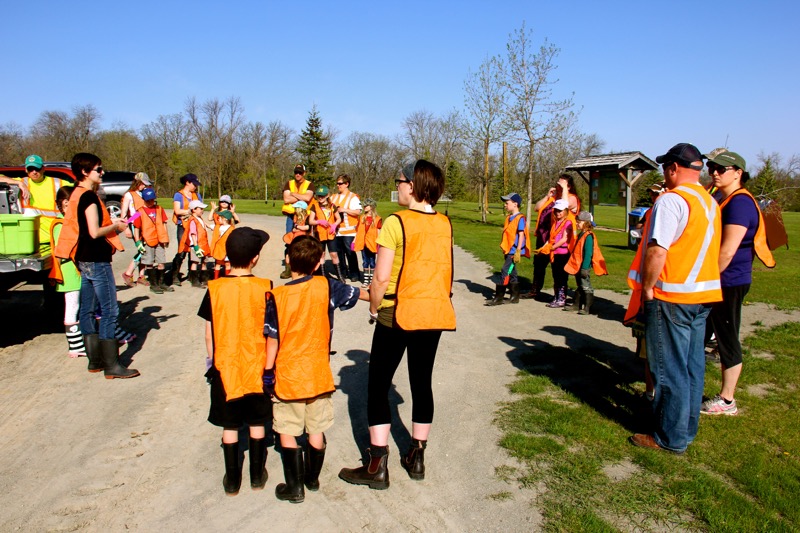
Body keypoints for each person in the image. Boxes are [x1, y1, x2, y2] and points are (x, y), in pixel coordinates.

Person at [339, 159, 456, 490]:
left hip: (397, 311)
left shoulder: (395, 222)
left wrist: (374, 307)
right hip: (433, 311)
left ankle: (377, 464)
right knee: (422, 382)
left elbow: (380, 277)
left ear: (413, 186)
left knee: (378, 385)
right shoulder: (445, 223)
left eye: (400, 182)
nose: (398, 187)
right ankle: (417, 456)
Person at [627, 143, 721, 454]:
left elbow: (657, 249)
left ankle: (669, 437)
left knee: (669, 368)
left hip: (672, 295)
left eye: (665, 168)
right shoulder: (709, 202)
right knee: (692, 366)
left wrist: (648, 288)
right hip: (702, 296)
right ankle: (686, 429)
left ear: (673, 168)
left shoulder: (671, 200)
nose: (664, 174)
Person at [264, 235, 368, 503]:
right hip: (319, 372)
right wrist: (383, 297)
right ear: (319, 262)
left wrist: (267, 371)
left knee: (287, 429)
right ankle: (312, 478)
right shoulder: (327, 286)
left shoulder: (277, 296)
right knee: (316, 428)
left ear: (288, 259)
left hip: (288, 373)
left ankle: (294, 487)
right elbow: (359, 294)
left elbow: (272, 338)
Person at [197, 226, 273, 496]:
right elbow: (271, 330)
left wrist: (212, 361)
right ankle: (256, 475)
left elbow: (209, 332)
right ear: (255, 258)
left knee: (229, 425)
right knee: (257, 422)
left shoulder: (215, 288)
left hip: (225, 365)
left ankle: (232, 479)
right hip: (257, 365)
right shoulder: (266, 287)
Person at [701, 150, 775, 416]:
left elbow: (728, 251)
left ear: (738, 173)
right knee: (711, 333)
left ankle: (727, 399)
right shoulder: (724, 198)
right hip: (722, 279)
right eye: (712, 168)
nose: (714, 173)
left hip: (729, 281)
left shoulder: (740, 203)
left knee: (727, 337)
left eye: (721, 169)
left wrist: (706, 281)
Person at [55, 153, 139, 379]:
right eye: (98, 170)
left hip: (83, 258)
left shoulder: (75, 194)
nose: (102, 173)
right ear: (85, 172)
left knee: (87, 309)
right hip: (97, 259)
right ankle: (112, 365)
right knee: (110, 310)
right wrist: (116, 227)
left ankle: (95, 360)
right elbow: (94, 232)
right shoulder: (89, 197)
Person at [49, 186, 86, 357]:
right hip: (69, 271)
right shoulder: (60, 225)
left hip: (74, 270)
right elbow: (61, 251)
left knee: (78, 304)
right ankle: (75, 345)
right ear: (63, 204)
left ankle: (78, 342)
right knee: (72, 305)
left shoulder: (70, 223)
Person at [0, 155, 65, 246]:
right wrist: (17, 183)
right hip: (29, 240)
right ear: (26, 170)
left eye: (37, 168)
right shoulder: (23, 182)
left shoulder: (58, 183)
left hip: (54, 239)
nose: (34, 172)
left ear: (43, 169)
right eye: (30, 169)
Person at [486, 192, 529, 306]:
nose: (505, 205)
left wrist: (518, 251)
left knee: (505, 271)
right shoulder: (509, 218)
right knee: (512, 272)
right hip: (508, 249)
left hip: (513, 251)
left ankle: (499, 297)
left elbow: (521, 235)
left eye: (507, 203)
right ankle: (515, 296)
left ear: (515, 204)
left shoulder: (520, 218)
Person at [564, 211, 607, 314]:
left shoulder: (588, 236)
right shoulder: (581, 234)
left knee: (586, 285)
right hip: (578, 265)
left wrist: (585, 268)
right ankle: (576, 305)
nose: (577, 223)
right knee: (580, 285)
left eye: (579, 222)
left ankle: (588, 307)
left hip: (584, 266)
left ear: (586, 223)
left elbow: (588, 254)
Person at [132, 187, 172, 294]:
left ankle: (161, 283)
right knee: (149, 262)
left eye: (152, 200)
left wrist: (166, 237)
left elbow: (164, 223)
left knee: (161, 262)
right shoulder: (139, 211)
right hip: (148, 240)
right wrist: (138, 242)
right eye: (148, 200)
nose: (150, 202)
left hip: (160, 239)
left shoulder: (159, 209)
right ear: (144, 200)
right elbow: (135, 227)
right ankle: (153, 285)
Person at [120, 172, 152, 287]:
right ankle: (128, 273)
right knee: (142, 249)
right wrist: (126, 228)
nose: (145, 186)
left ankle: (141, 276)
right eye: (143, 184)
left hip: (145, 225)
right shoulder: (129, 195)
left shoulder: (144, 193)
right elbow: (124, 213)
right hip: (135, 225)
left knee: (146, 249)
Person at [170, 173, 202, 286]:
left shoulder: (197, 195)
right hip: (182, 226)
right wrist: (190, 211)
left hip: (194, 225)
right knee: (182, 251)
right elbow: (177, 211)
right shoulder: (178, 195)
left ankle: (192, 276)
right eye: (194, 184)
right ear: (187, 183)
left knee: (193, 250)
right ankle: (174, 275)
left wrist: (190, 213)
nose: (195, 186)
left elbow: (200, 210)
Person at [330, 174, 363, 283]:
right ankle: (342, 273)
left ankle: (354, 273)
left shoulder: (353, 197)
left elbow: (358, 211)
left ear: (346, 184)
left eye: (340, 183)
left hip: (349, 231)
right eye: (337, 183)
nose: (338, 185)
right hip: (337, 231)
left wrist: (344, 210)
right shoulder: (333, 197)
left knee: (350, 252)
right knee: (339, 253)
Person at [308, 185, 343, 280]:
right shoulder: (314, 206)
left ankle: (340, 276)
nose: (320, 198)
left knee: (334, 254)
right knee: (322, 254)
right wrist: (319, 222)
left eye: (322, 196)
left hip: (331, 234)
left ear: (327, 195)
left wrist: (335, 225)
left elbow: (339, 218)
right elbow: (311, 221)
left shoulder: (332, 206)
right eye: (319, 196)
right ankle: (323, 276)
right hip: (320, 234)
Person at [545, 199, 575, 308]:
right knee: (555, 276)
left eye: (560, 211)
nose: (558, 213)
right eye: (556, 210)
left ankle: (561, 299)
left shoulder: (568, 223)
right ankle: (556, 296)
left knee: (562, 277)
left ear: (566, 211)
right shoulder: (555, 222)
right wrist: (545, 247)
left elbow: (564, 239)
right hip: (555, 253)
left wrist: (552, 247)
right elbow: (552, 237)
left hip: (563, 253)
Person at [179, 199, 211, 288]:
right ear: (194, 210)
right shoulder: (193, 220)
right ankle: (195, 281)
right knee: (195, 262)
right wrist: (196, 246)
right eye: (200, 209)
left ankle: (204, 279)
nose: (202, 211)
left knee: (204, 261)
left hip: (203, 244)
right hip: (196, 245)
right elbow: (193, 233)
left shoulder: (200, 219)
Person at [353, 198, 382, 289]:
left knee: (372, 262)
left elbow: (379, 231)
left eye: (366, 205)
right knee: (365, 262)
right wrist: (354, 241)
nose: (364, 207)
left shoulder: (377, 219)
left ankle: (372, 281)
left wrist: (379, 243)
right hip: (363, 243)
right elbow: (358, 231)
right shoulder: (362, 217)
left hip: (372, 243)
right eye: (364, 205)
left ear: (372, 207)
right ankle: (366, 281)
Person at [209, 210, 235, 279]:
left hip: (227, 249)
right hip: (220, 248)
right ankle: (216, 278)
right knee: (218, 263)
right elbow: (210, 226)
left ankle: (227, 279)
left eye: (220, 217)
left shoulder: (231, 228)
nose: (218, 219)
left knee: (227, 264)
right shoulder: (219, 226)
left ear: (225, 219)